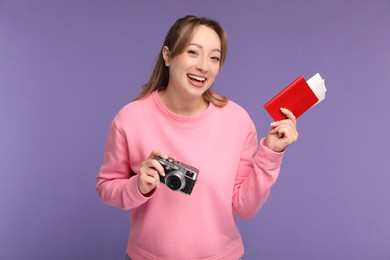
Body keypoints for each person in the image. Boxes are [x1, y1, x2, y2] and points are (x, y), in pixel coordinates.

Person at [96, 15, 298, 260]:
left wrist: (271, 154)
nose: (204, 66)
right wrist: (137, 185)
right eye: (193, 52)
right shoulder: (130, 118)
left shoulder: (237, 120)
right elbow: (106, 186)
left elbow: (245, 207)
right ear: (168, 56)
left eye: (214, 57)